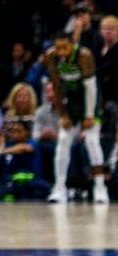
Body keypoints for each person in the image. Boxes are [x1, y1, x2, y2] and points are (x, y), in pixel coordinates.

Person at [39, 27, 105, 204]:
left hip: (91, 99)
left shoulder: (84, 56)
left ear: (73, 45)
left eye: (65, 48)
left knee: (92, 141)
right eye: (58, 48)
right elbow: (57, 87)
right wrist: (63, 115)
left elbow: (91, 88)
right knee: (62, 141)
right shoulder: (52, 56)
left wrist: (90, 115)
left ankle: (100, 187)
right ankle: (59, 188)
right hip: (72, 101)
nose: (61, 52)